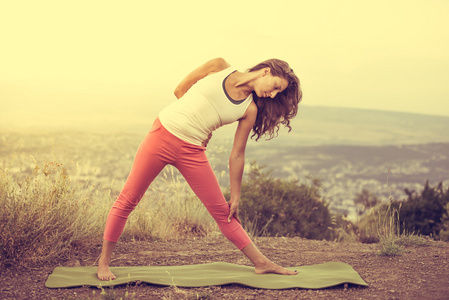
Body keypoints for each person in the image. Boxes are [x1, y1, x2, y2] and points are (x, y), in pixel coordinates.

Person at [97, 57, 302, 280]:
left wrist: (235, 194)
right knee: (128, 199)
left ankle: (261, 263)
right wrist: (192, 119)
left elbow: (237, 155)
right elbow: (180, 90)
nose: (272, 95)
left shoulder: (249, 109)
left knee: (225, 214)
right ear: (266, 71)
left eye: (277, 94)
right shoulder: (218, 66)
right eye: (275, 87)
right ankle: (103, 263)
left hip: (192, 151)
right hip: (162, 135)